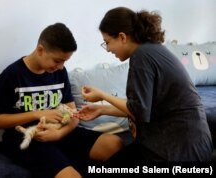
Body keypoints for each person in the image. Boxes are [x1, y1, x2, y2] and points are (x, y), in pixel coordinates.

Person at [77, 7, 213, 164]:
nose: (107, 49)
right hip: (193, 146)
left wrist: (102, 95)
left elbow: (139, 110)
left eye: (107, 42)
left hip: (180, 151)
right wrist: (102, 109)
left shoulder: (141, 57)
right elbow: (145, 108)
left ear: (122, 37)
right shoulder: (152, 50)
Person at [0, 23, 123, 178]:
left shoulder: (60, 72)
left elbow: (73, 115)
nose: (61, 66)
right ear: (40, 50)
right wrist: (37, 114)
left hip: (59, 131)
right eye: (57, 61)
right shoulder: (12, 75)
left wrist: (59, 134)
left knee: (113, 144)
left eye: (65, 61)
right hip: (28, 137)